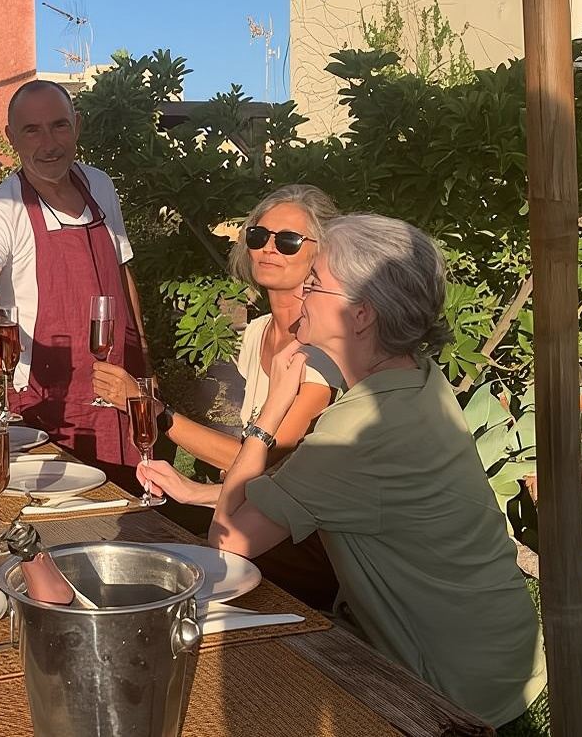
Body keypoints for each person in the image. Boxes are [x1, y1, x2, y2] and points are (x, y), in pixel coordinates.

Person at [145, 214, 546, 727]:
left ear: (361, 315)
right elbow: (324, 493)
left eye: (314, 283)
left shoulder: (361, 430)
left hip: (446, 680)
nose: (301, 293)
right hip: (496, 647)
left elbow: (229, 545)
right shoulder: (415, 379)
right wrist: (199, 491)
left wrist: (270, 416)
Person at [92, 184, 342, 608]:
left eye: (288, 241)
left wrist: (156, 413)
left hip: (305, 541)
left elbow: (268, 456)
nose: (268, 249)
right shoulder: (259, 332)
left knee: (161, 567)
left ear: (322, 252)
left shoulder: (321, 350)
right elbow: (252, 468)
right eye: (259, 236)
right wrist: (193, 490)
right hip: (250, 511)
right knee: (129, 539)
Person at [0, 79, 148, 488]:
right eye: (32, 130)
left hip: (119, 388)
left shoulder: (100, 185)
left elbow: (123, 271)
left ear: (76, 125)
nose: (49, 143)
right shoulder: (0, 210)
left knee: (133, 508)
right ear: (11, 138)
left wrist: (144, 358)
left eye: (59, 126)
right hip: (49, 405)